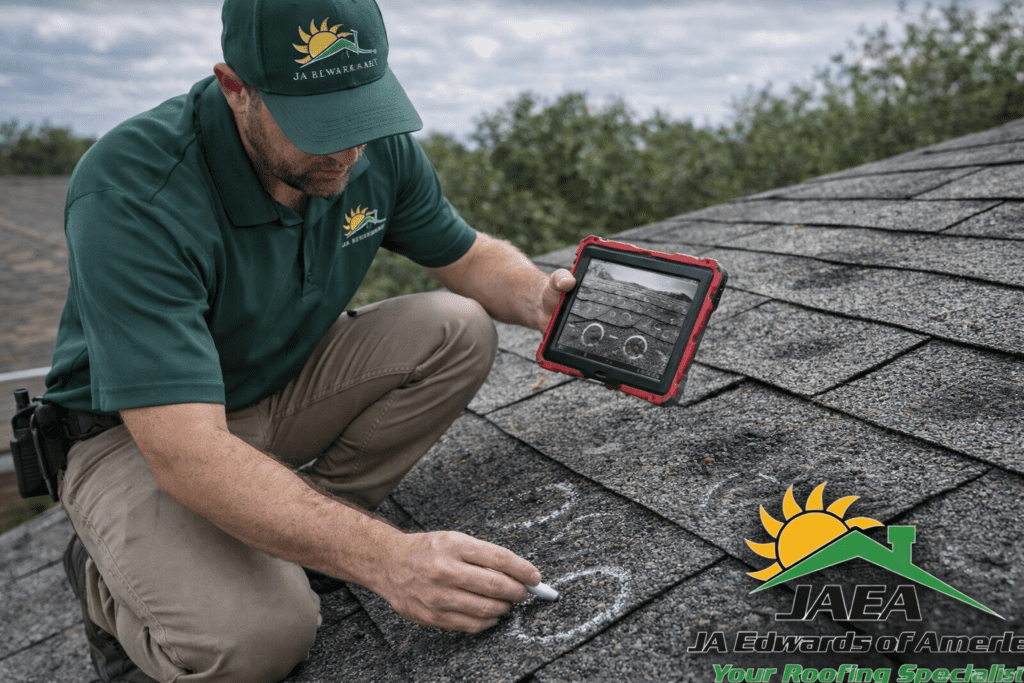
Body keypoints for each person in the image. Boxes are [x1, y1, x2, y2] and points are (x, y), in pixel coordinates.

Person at [43, 0, 575, 681]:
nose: (348, 151)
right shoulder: (132, 189)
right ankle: (106, 579)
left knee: (459, 326)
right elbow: (187, 451)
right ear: (238, 90)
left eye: (361, 115)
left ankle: (294, 535)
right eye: (319, 126)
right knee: (259, 639)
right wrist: (391, 559)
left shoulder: (369, 149)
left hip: (270, 389)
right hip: (137, 434)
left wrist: (538, 298)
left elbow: (467, 256)